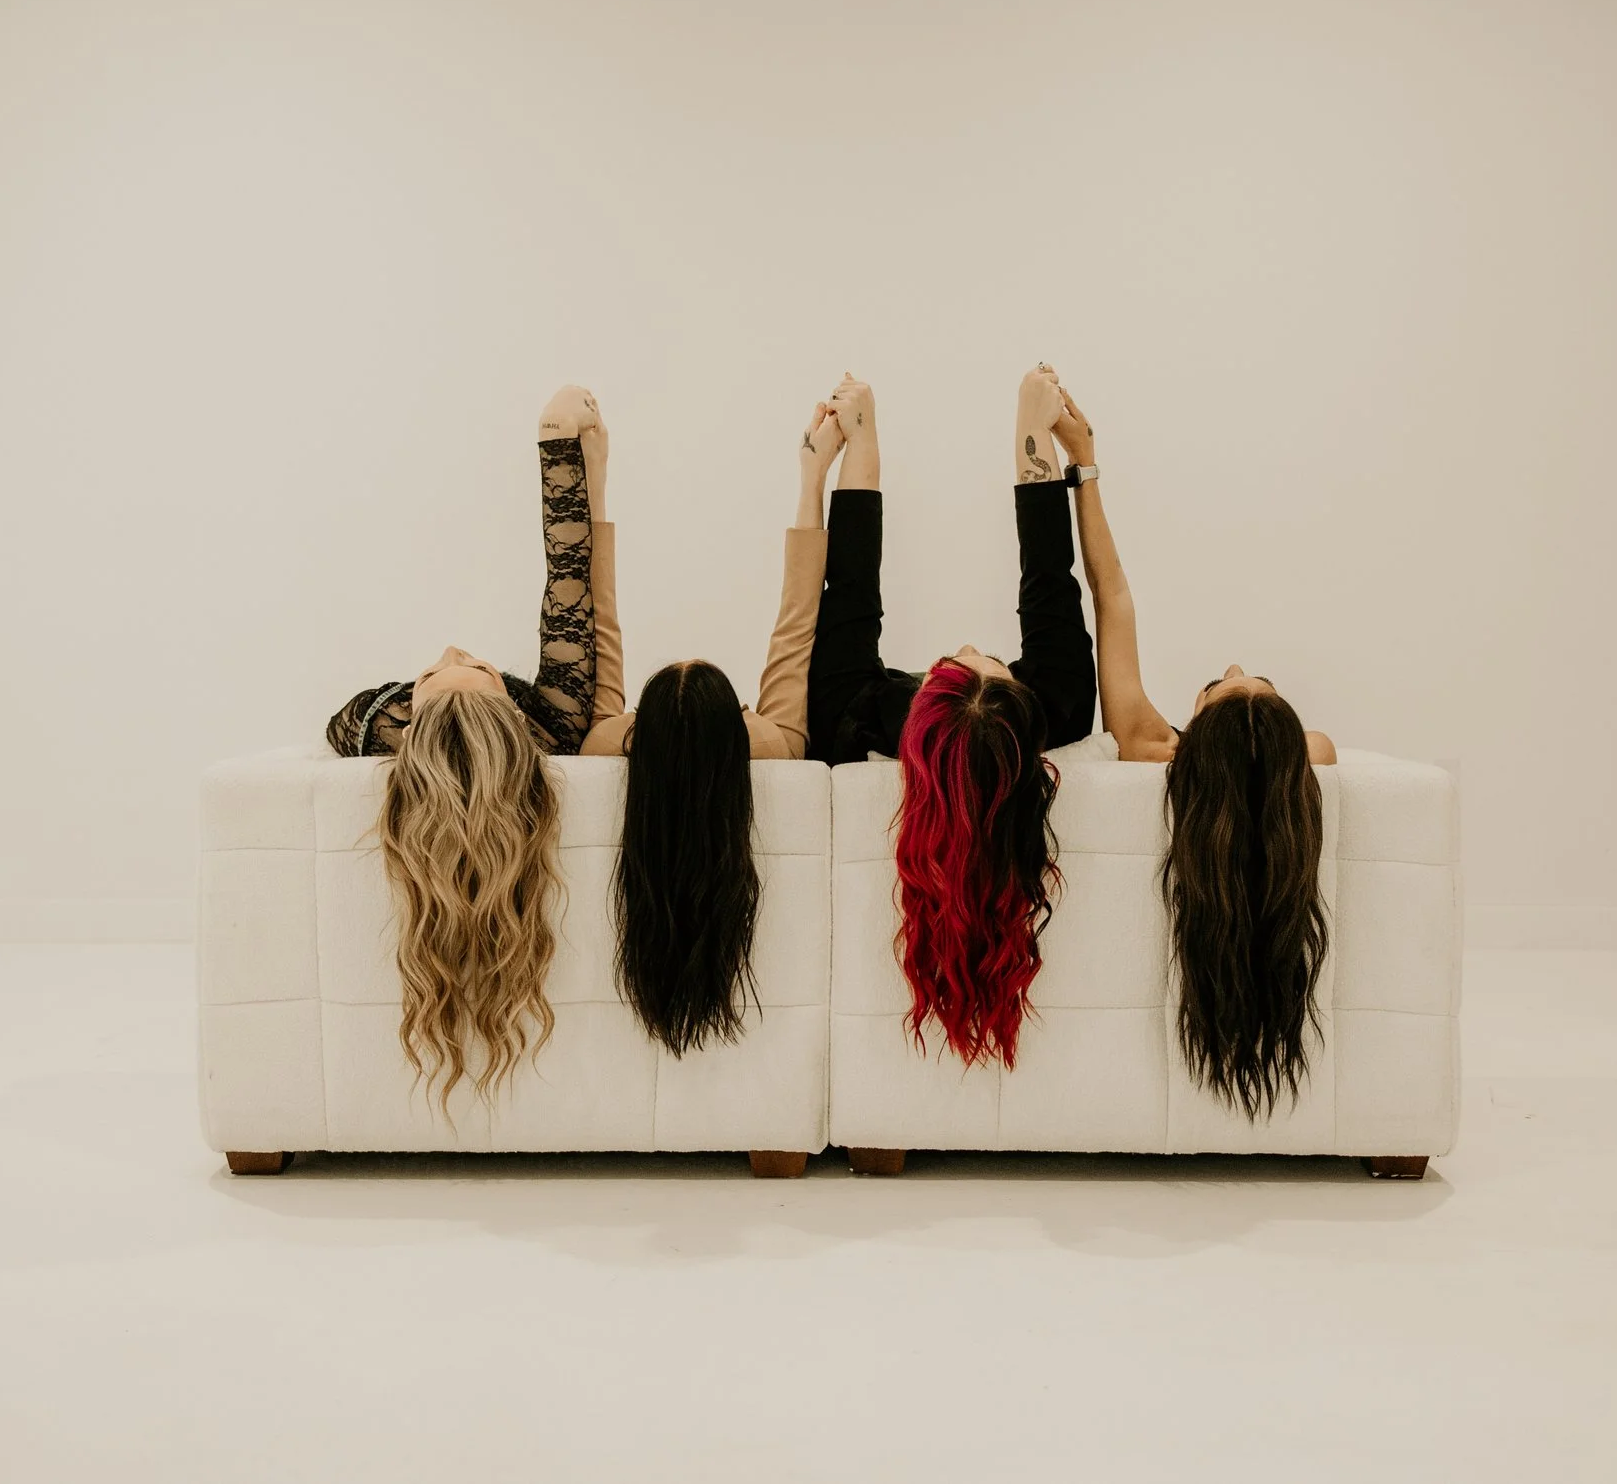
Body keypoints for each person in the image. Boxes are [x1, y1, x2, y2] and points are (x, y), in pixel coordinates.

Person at [320, 385, 611, 1109]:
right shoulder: (557, 723)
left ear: (405, 720)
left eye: (425, 674)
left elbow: (345, 721)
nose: (455, 648)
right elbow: (570, 581)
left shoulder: (374, 728)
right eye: (479, 665)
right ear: (509, 712)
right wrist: (561, 447)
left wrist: (427, 705)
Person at [1055, 381, 1338, 1120]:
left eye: (1222, 683)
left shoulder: (1153, 749)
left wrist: (1084, 465)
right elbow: (1297, 750)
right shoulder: (1313, 758)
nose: (1235, 663)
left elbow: (1112, 598)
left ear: (1198, 736)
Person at [807, 367, 1097, 1068]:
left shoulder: (852, 716)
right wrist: (1036, 431)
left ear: (927, 698)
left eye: (957, 660)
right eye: (984, 660)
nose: (968, 645)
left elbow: (850, 589)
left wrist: (860, 439)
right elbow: (1049, 582)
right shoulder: (1058, 705)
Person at [582, 404, 846, 1056]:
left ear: (637, 734)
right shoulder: (773, 748)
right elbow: (795, 632)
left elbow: (599, 630)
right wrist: (812, 479)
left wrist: (594, 484)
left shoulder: (602, 748)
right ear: (738, 730)